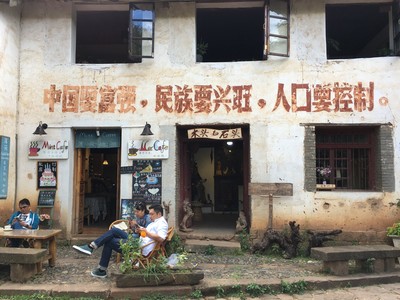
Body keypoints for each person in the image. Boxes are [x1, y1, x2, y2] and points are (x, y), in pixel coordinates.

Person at [74, 203, 168, 279]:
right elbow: (147, 233)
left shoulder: (162, 223)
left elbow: (161, 238)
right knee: (114, 230)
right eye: (150, 213)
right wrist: (139, 229)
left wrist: (145, 231)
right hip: (137, 241)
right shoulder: (155, 222)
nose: (150, 216)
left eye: (152, 214)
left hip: (139, 247)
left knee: (109, 241)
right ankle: (92, 246)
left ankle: (100, 267)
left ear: (159, 214)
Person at [73, 201, 151, 255]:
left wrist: (137, 226)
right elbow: (136, 231)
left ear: (143, 210)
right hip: (133, 236)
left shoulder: (147, 218)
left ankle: (91, 247)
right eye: (135, 212)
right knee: (111, 235)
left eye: (137, 212)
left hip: (138, 240)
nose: (135, 213)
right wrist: (133, 227)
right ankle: (93, 250)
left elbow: (146, 234)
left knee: (113, 232)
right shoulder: (139, 218)